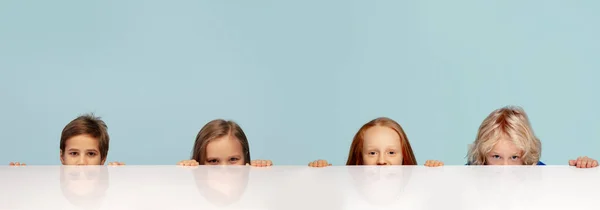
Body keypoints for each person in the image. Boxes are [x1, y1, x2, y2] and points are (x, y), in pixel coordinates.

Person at [426, 106, 598, 168]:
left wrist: (584, 168)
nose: (505, 167)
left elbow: (563, 191)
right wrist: (435, 172)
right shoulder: (472, 171)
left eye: (514, 157)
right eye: (496, 157)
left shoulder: (537, 171)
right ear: (483, 155)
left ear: (525, 155)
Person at [308, 117, 442, 167]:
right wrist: (321, 174)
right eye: (372, 153)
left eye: (391, 152)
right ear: (359, 158)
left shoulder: (416, 188)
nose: (382, 161)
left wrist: (434, 174)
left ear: (404, 157)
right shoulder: (346, 189)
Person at [9, 114, 125, 166]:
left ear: (103, 158)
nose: (81, 162)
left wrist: (121, 181)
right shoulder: (50, 191)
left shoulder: (111, 192)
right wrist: (19, 181)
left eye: (91, 154)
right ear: (62, 156)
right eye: (74, 153)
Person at [177, 119, 272, 167]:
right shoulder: (192, 191)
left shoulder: (252, 184)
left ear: (245, 160)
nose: (224, 169)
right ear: (199, 161)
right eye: (213, 161)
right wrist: (187, 173)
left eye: (233, 159)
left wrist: (261, 173)